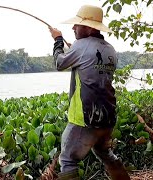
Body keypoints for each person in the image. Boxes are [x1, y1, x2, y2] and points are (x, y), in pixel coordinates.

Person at [48, 5, 130, 180]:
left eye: (78, 24)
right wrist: (77, 49)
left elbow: (59, 63)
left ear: (90, 27)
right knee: (105, 154)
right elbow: (91, 64)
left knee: (68, 160)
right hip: (107, 118)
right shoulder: (110, 50)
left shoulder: (81, 46)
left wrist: (58, 40)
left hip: (85, 119)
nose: (73, 28)